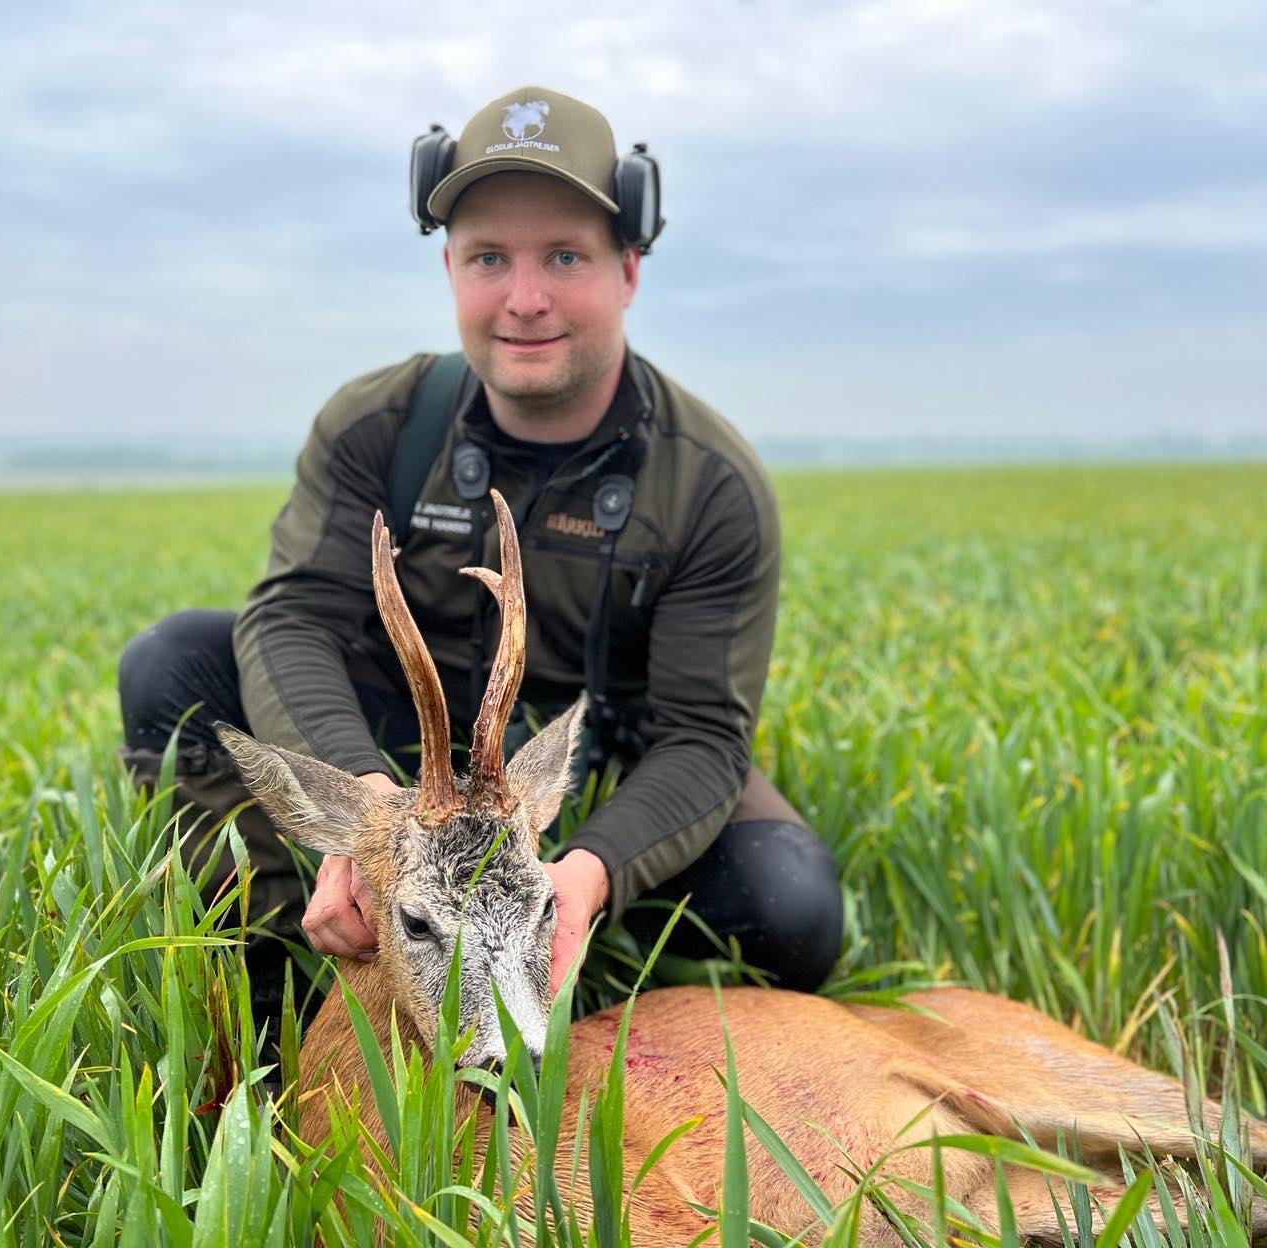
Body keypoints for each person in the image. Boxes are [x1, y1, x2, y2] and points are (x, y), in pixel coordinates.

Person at [118, 87, 842, 1038]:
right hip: (399, 761)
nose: (525, 299)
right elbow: (292, 618)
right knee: (175, 667)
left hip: (587, 775)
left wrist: (587, 876)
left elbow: (703, 737)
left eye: (565, 258)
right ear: (450, 267)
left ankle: (571, 986)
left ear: (629, 270)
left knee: (788, 909)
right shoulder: (380, 427)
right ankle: (291, 978)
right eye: (489, 257)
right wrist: (369, 816)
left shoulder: (709, 485)